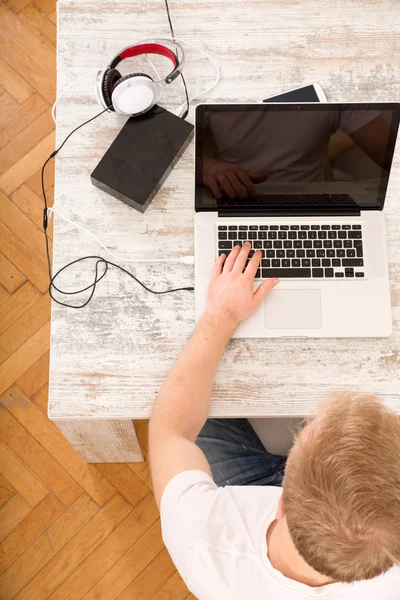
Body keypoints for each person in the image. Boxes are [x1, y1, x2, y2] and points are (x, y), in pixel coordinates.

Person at [149, 243, 400, 599]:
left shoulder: (202, 538)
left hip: (243, 492)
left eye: (305, 431)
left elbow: (169, 430)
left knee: (192, 411)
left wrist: (220, 314)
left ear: (280, 502)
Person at [200, 109, 391, 200]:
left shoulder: (330, 79)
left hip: (315, 205)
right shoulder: (207, 81)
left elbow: (388, 152)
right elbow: (172, 150)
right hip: (237, 199)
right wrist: (205, 167)